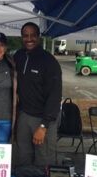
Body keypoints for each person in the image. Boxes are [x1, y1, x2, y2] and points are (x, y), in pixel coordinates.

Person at [14, 22, 62, 166]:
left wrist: (43, 126)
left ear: (39, 37)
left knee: (43, 161)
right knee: (23, 158)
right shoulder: (18, 56)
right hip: (24, 116)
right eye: (25, 35)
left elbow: (55, 96)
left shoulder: (49, 61)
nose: (29, 39)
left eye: (33, 35)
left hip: (44, 119)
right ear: (22, 37)